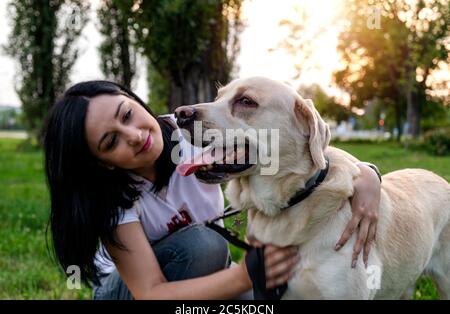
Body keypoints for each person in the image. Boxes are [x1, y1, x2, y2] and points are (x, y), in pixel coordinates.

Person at [43, 80, 381, 300]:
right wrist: (242, 276)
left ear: (135, 101)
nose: (133, 134)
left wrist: (366, 174)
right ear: (103, 162)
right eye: (111, 140)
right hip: (133, 292)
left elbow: (289, 142)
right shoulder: (111, 201)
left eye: (127, 114)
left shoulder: (188, 133)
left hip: (201, 276)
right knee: (204, 245)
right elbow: (149, 291)